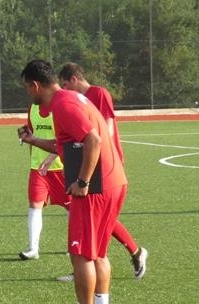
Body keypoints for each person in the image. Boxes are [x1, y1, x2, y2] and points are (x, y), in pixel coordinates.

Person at [19, 59, 127, 304]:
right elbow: (67, 145)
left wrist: (82, 181)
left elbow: (93, 140)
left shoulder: (63, 105)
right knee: (98, 253)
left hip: (95, 186)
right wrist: (33, 140)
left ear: (35, 85)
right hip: (113, 181)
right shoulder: (72, 99)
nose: (28, 94)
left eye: (27, 88)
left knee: (81, 255)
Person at [58, 62, 148, 279]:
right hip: (89, 163)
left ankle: (88, 266)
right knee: (96, 218)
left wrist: (96, 156)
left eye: (65, 85)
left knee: (96, 218)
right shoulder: (77, 100)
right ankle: (129, 253)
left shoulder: (98, 93)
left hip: (104, 164)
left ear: (74, 79)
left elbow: (105, 129)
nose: (64, 90)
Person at [17, 104, 69, 261]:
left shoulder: (60, 108)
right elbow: (31, 135)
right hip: (38, 168)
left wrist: (50, 158)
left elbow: (64, 139)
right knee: (35, 204)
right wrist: (24, 134)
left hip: (61, 168)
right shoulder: (32, 108)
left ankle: (74, 245)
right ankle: (33, 249)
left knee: (71, 207)